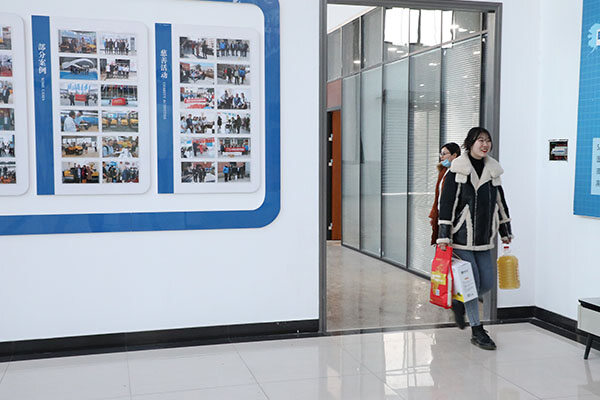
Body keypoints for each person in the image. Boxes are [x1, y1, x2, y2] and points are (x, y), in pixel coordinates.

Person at [437, 127, 513, 351]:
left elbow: (500, 203)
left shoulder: (493, 171)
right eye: (480, 140)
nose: (485, 144)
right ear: (470, 143)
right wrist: (444, 236)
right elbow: (447, 205)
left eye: (487, 140)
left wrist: (505, 230)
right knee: (470, 283)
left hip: (484, 238)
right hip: (461, 237)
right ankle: (477, 330)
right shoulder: (457, 171)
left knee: (486, 282)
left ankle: (459, 301)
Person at [429, 142, 461, 245]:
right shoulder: (444, 171)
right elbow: (438, 196)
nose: (441, 157)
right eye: (440, 154)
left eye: (444, 154)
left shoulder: (458, 173)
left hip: (452, 217)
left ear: (454, 155)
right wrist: (435, 214)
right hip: (440, 214)